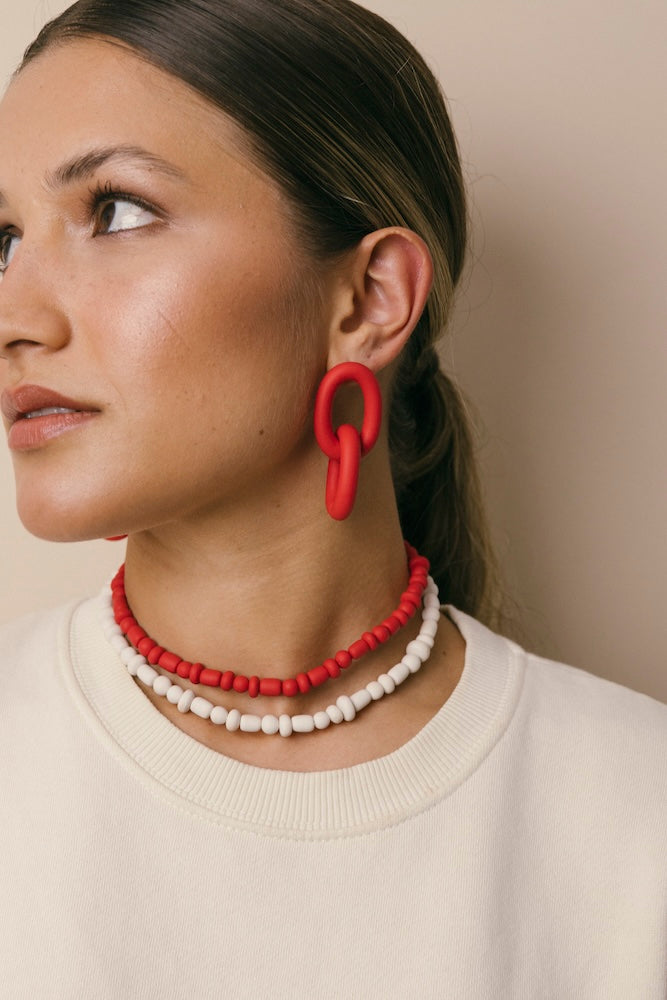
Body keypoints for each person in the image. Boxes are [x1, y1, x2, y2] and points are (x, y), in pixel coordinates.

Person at [0, 1, 664, 996]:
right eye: (4, 239)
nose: (14, 314)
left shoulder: (635, 820)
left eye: (118, 211)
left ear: (368, 299)